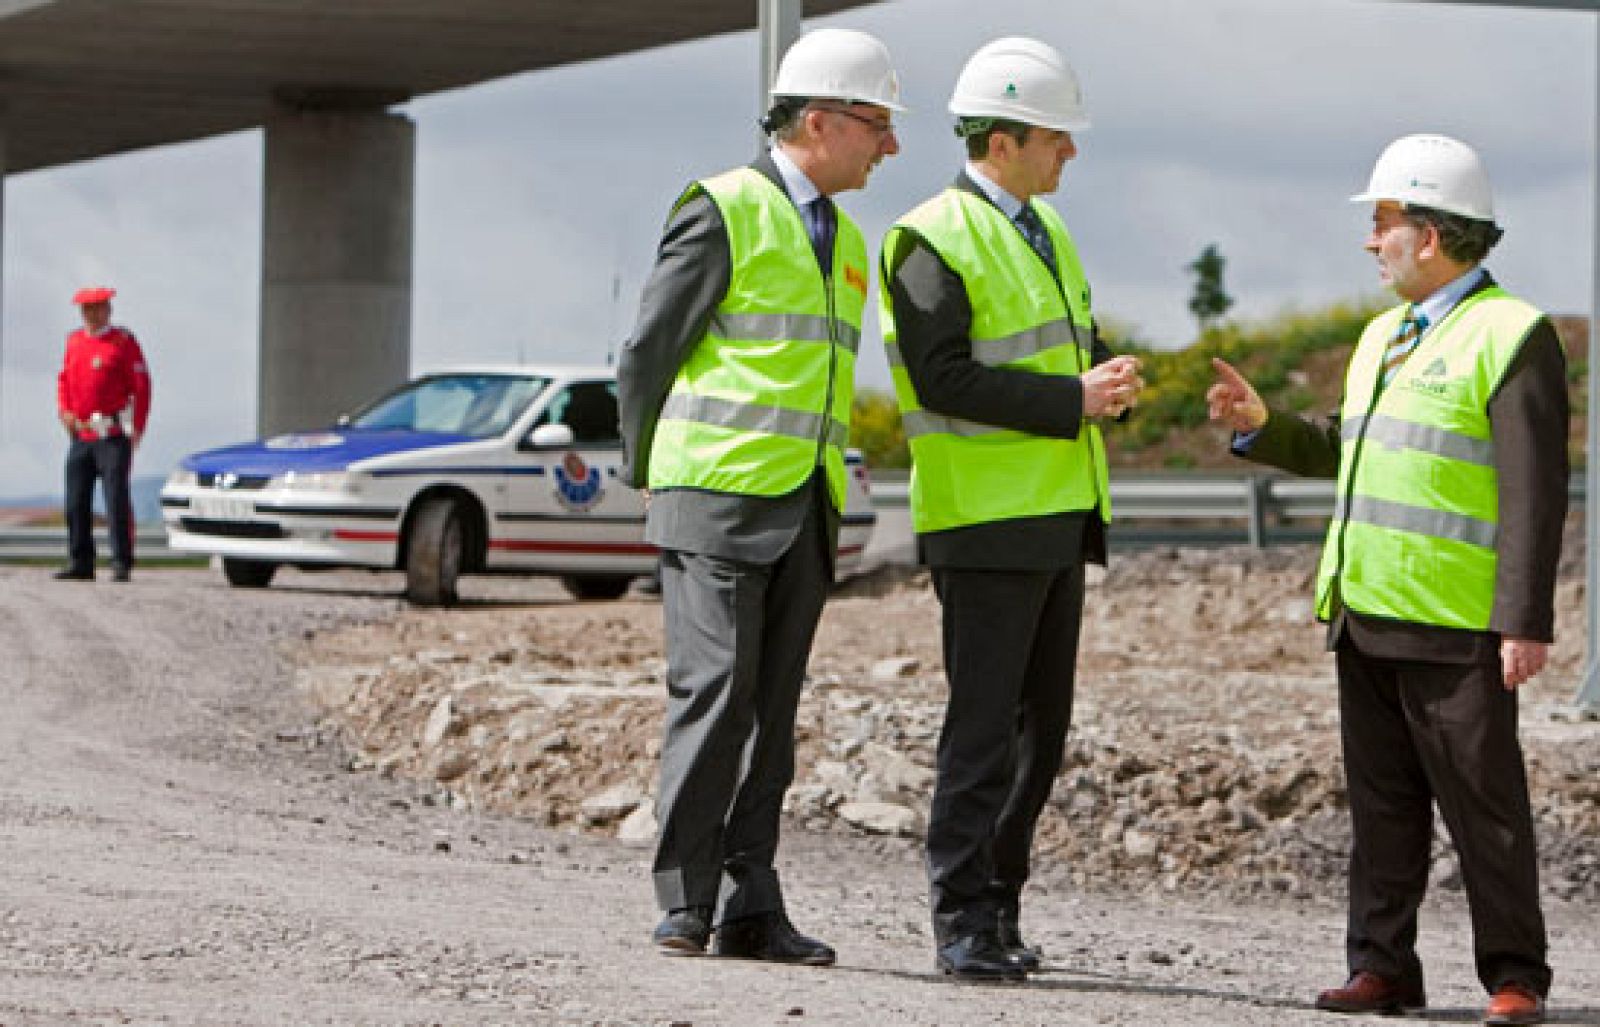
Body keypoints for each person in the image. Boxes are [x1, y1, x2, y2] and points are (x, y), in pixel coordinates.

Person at [1207, 134, 1563, 1026]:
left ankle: (1515, 976)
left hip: (1455, 620)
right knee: (1381, 812)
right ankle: (1383, 967)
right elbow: (1347, 448)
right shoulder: (1379, 338)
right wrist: (1263, 425)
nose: (1372, 242)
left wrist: (1524, 618)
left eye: (1383, 223)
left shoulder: (1512, 335)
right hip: (1363, 612)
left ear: (1432, 234)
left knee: (1486, 810)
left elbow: (1535, 488)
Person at [616, 27, 902, 965]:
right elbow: (648, 351)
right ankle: (684, 901)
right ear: (818, 121)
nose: (889, 146)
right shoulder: (723, 207)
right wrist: (645, 469)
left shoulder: (850, 242)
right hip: (715, 497)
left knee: (770, 722)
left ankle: (749, 903)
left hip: (805, 509)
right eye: (876, 124)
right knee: (713, 698)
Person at [879, 37, 1142, 981]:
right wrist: (1073, 397)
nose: (1069, 153)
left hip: (1059, 514)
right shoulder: (924, 237)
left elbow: (1070, 347)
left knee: (1042, 732)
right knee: (983, 730)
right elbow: (944, 376)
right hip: (983, 521)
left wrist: (1110, 383)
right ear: (1001, 139)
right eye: (1055, 137)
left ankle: (1000, 905)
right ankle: (961, 919)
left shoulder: (1046, 229)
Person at [55, 285, 152, 583]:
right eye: (86, 309)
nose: (92, 314)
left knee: (115, 499)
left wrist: (137, 426)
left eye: (97, 308)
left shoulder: (122, 342)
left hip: (111, 433)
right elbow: (64, 380)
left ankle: (121, 561)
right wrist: (64, 410)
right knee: (75, 500)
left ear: (108, 310)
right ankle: (80, 560)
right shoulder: (74, 342)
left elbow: (142, 385)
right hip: (82, 435)